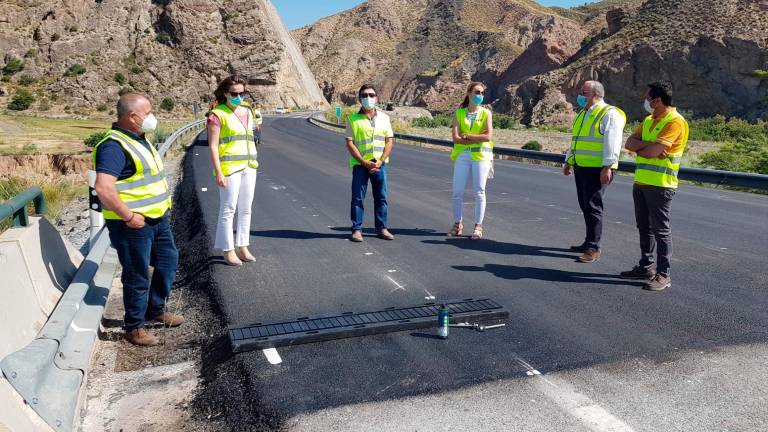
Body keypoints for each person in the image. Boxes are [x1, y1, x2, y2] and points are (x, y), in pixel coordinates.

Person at [93, 93, 183, 347]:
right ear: (133, 117)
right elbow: (103, 188)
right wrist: (129, 216)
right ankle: (134, 328)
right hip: (132, 225)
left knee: (168, 261)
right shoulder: (113, 146)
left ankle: (155, 309)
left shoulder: (140, 140)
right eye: (148, 112)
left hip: (157, 219)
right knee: (136, 274)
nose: (152, 117)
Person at [621, 81, 689, 291]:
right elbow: (629, 143)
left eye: (648, 98)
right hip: (641, 181)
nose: (646, 101)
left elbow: (647, 150)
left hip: (661, 185)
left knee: (661, 230)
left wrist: (643, 149)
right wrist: (647, 148)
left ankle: (663, 274)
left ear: (657, 100)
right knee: (644, 227)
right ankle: (645, 267)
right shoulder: (650, 119)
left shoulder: (675, 122)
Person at [563, 80, 626, 263]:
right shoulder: (583, 113)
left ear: (595, 94)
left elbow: (612, 142)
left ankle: (593, 247)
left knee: (593, 206)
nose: (581, 95)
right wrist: (569, 161)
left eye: (584, 92)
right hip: (581, 165)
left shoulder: (609, 113)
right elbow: (575, 140)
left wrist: (607, 167)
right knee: (585, 205)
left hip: (598, 168)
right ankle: (588, 241)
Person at [208, 75, 259, 266]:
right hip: (229, 169)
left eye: (242, 93)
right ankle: (228, 250)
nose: (239, 96)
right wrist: (218, 171)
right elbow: (213, 146)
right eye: (234, 93)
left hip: (249, 166)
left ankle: (243, 246)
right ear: (225, 93)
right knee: (228, 209)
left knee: (246, 209)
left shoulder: (248, 110)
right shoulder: (217, 114)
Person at [346, 84, 394, 242]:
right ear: (360, 99)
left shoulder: (385, 118)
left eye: (372, 95)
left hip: (379, 165)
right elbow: (350, 144)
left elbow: (389, 142)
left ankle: (382, 228)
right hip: (361, 165)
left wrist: (380, 161)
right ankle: (356, 229)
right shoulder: (352, 119)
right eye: (365, 95)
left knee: (381, 197)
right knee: (358, 197)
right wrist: (363, 161)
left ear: (377, 98)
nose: (368, 98)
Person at [448, 82, 494, 240]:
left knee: (479, 191)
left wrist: (467, 136)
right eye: (477, 92)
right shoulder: (459, 113)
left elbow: (488, 136)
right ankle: (457, 223)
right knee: (457, 192)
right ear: (469, 93)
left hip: (481, 156)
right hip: (463, 155)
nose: (480, 96)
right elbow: (455, 138)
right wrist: (475, 138)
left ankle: (478, 226)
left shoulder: (486, 113)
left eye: (482, 93)